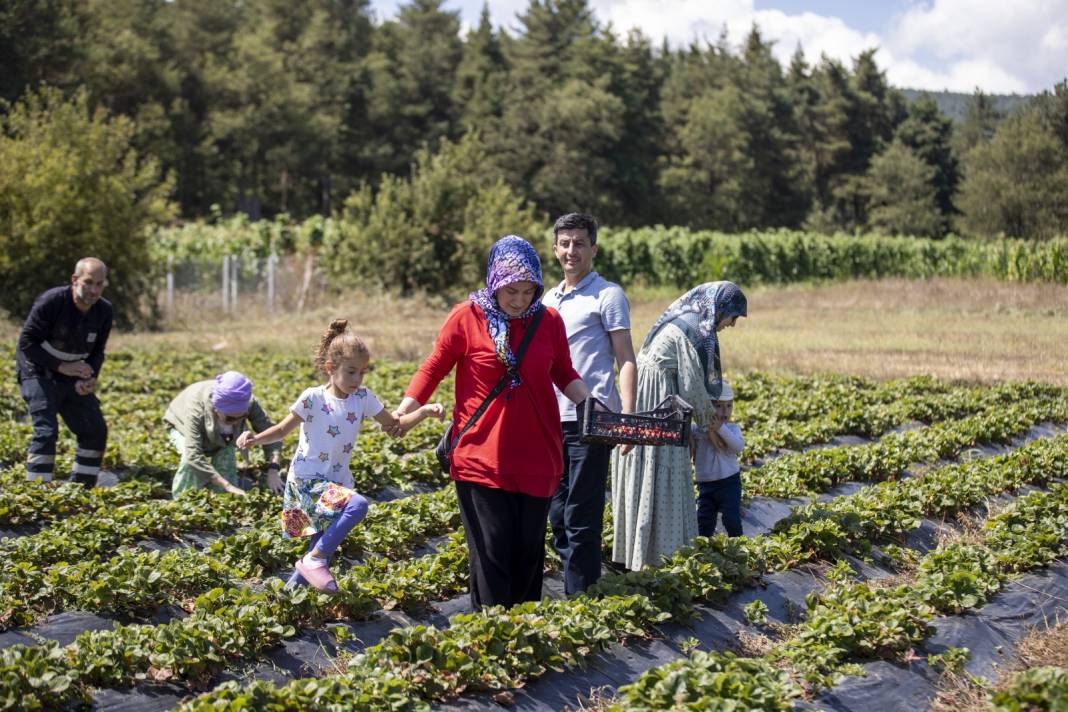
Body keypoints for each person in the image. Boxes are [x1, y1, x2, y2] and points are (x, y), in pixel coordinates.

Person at [394, 235, 592, 611]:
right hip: (481, 457)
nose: (519, 300)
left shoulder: (548, 320)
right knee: (492, 550)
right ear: (493, 283)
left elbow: (564, 371)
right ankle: (491, 634)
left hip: (538, 456)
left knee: (528, 551)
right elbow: (434, 366)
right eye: (510, 291)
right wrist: (406, 409)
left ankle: (523, 634)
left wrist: (591, 403)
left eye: (527, 290)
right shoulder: (466, 317)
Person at [237, 319, 444, 593]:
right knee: (356, 506)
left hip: (336, 480)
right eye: (351, 372)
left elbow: (395, 427)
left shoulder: (363, 398)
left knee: (321, 546)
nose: (357, 380)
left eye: (362, 373)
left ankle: (288, 595)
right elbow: (282, 429)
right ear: (330, 369)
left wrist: (424, 412)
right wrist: (255, 439)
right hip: (308, 481)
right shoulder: (313, 398)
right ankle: (313, 561)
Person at [611, 281, 747, 571]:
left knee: (650, 465)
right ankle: (659, 555)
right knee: (663, 466)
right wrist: (711, 424)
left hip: (657, 393)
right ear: (720, 308)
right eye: (733, 317)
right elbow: (693, 386)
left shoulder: (688, 322)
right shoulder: (689, 331)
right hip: (659, 397)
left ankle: (643, 552)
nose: (732, 324)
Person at [542, 212, 637, 595]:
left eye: (579, 243)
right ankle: (578, 584)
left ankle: (580, 597)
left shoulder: (608, 295)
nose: (571, 251)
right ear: (554, 249)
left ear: (593, 248)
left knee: (582, 512)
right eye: (565, 244)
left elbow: (625, 358)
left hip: (592, 420)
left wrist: (626, 419)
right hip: (550, 420)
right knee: (556, 511)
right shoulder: (547, 299)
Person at [16, 258, 113, 486]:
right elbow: (27, 343)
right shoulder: (52, 301)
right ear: (74, 280)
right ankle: (37, 493)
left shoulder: (104, 311)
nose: (93, 290)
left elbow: (97, 352)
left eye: (99, 284)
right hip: (37, 369)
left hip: (72, 373)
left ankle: (82, 488)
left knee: (94, 429)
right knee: (47, 432)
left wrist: (90, 377)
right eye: (88, 282)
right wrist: (62, 367)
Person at [164, 371, 284, 497]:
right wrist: (227, 485)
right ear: (216, 408)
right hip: (180, 424)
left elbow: (272, 433)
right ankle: (182, 500)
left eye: (241, 417)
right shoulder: (196, 409)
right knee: (189, 465)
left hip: (218, 431)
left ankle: (218, 494)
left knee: (226, 458)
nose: (236, 422)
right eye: (230, 419)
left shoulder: (248, 402)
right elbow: (193, 454)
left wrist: (273, 470)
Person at [692, 380, 745, 538]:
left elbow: (738, 447)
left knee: (732, 519)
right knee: (704, 521)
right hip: (706, 485)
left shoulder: (731, 429)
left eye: (729, 406)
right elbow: (687, 431)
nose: (724, 411)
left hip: (729, 484)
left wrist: (720, 429)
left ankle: (738, 547)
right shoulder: (699, 430)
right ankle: (704, 550)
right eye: (719, 406)